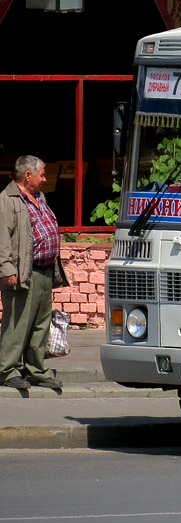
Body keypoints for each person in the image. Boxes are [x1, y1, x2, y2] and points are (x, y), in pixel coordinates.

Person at [0, 155, 70, 392]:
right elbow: (2, 239)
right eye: (42, 173)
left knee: (41, 323)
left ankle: (36, 370)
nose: (44, 178)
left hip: (45, 271)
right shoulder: (7, 199)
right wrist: (7, 269)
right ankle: (8, 370)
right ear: (27, 175)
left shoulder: (40, 197)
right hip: (21, 272)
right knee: (17, 323)